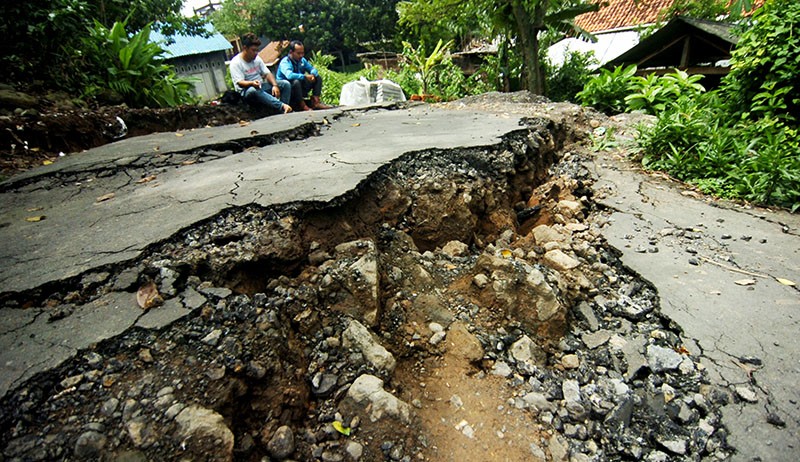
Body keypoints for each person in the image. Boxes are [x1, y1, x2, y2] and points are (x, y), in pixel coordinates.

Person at [230, 33, 292, 114]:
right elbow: (240, 82)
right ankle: (281, 106)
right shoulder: (236, 62)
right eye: (253, 50)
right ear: (245, 48)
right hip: (246, 91)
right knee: (253, 90)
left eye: (257, 50)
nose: (256, 53)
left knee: (285, 84)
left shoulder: (257, 59)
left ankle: (284, 110)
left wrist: (275, 85)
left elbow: (267, 73)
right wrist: (252, 83)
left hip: (260, 86)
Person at [276, 40, 332, 111]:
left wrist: (313, 74)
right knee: (296, 81)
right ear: (291, 52)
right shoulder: (285, 62)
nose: (301, 55)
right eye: (298, 53)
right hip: (289, 89)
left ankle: (316, 102)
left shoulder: (302, 60)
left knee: (318, 78)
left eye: (302, 53)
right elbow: (289, 75)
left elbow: (312, 69)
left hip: (300, 87)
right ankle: (303, 105)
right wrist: (305, 76)